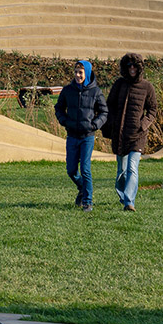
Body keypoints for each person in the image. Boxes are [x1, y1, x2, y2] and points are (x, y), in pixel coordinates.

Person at [104, 53, 158, 211]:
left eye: (135, 66)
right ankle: (123, 196)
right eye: (129, 66)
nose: (132, 68)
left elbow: (153, 109)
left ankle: (129, 202)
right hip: (120, 134)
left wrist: (143, 124)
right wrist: (112, 123)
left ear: (140, 67)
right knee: (121, 170)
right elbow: (110, 105)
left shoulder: (147, 87)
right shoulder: (119, 84)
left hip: (138, 135)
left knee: (132, 167)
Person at [54, 60, 108, 211]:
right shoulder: (67, 90)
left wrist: (94, 125)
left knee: (85, 168)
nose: (78, 75)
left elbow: (104, 112)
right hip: (72, 135)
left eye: (81, 73)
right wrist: (64, 121)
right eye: (76, 72)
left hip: (87, 136)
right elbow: (58, 108)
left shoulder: (96, 92)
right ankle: (83, 188)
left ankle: (87, 201)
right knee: (71, 170)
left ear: (87, 73)